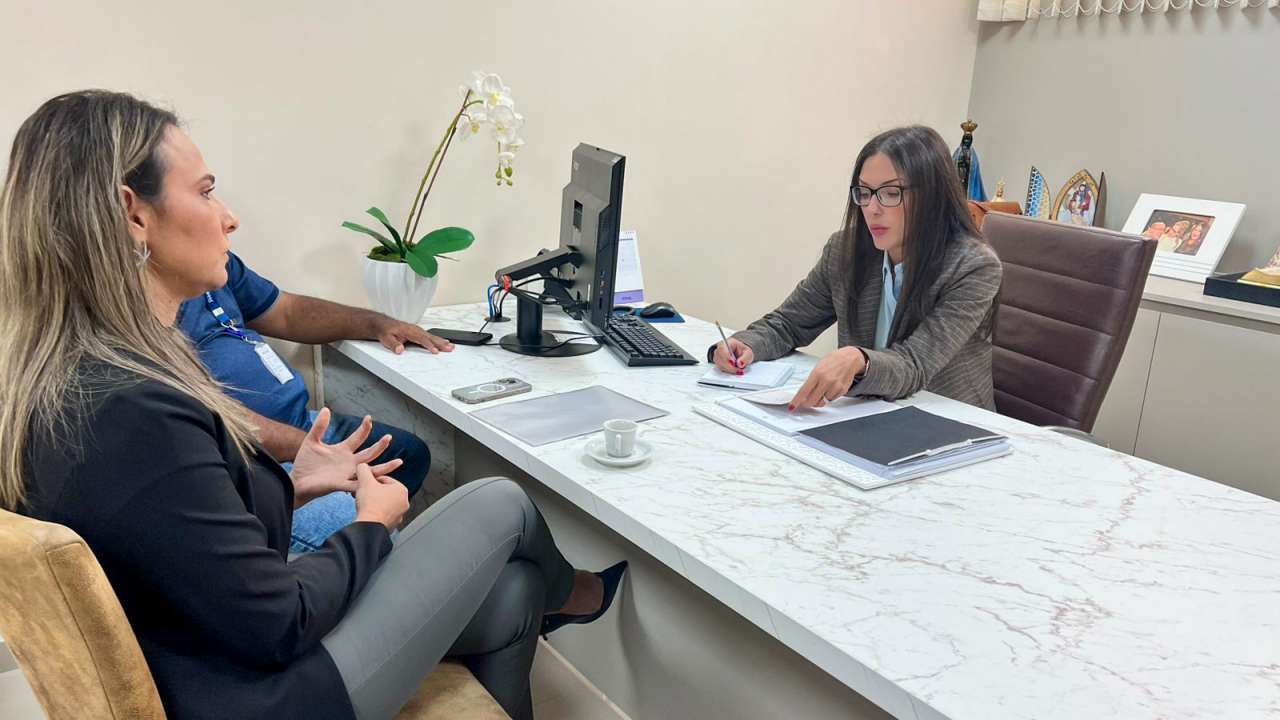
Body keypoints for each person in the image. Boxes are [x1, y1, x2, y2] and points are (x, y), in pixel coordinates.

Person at [0, 90, 626, 720]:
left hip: (202, 657)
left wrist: (293, 486)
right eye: (207, 192)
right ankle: (574, 594)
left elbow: (180, 544)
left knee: (515, 591)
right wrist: (371, 524)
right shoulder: (134, 411)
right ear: (133, 215)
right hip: (257, 696)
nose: (229, 217)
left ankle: (555, 597)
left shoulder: (69, 382)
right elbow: (277, 622)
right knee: (499, 501)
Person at [710, 125, 1002, 411]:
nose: (872, 208)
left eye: (891, 193)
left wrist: (860, 361)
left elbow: (915, 365)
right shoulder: (845, 251)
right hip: (865, 413)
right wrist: (745, 344)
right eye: (864, 192)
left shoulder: (974, 266)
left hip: (948, 423)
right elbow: (788, 324)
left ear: (932, 197)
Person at [176, 247, 445, 553]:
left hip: (299, 424)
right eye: (206, 200)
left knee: (408, 454)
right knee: (374, 535)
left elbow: (286, 312)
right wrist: (314, 450)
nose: (230, 222)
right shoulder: (140, 308)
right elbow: (209, 416)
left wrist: (376, 324)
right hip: (246, 460)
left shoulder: (213, 259)